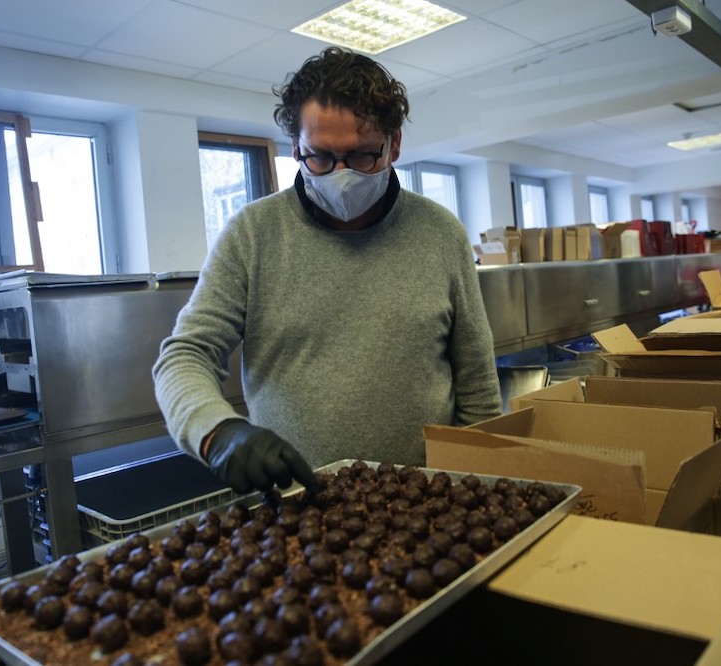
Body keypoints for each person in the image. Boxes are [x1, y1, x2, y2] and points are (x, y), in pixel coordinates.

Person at [152, 46, 502, 495]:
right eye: (319, 157)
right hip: (300, 507)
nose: (341, 176)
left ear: (394, 144)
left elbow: (477, 384)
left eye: (361, 157)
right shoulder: (252, 235)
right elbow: (184, 356)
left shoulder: (440, 234)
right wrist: (216, 431)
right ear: (295, 146)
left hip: (427, 503)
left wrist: (483, 483)